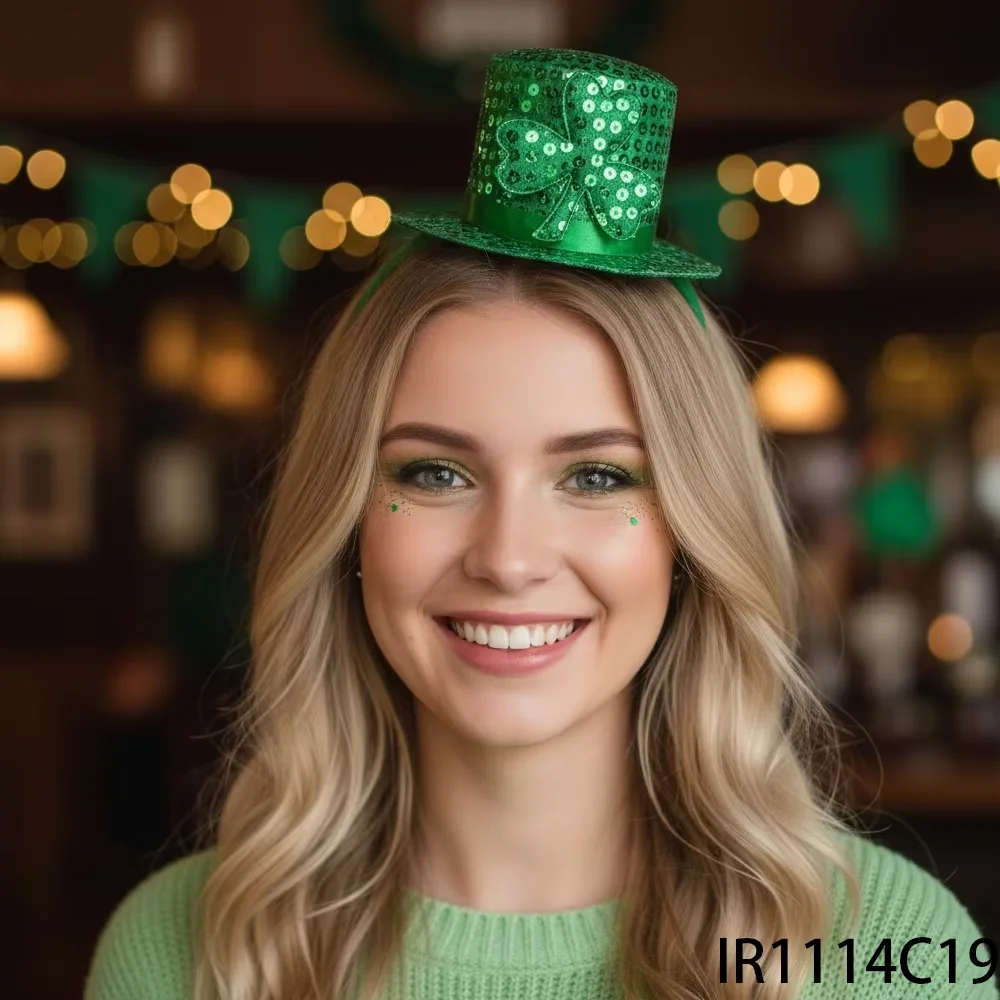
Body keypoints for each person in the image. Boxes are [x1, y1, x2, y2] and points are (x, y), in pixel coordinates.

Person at [84, 49, 997, 1000]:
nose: (509, 558)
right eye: (435, 472)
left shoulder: (891, 952)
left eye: (597, 476)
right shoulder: (176, 952)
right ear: (346, 520)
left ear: (693, 533)